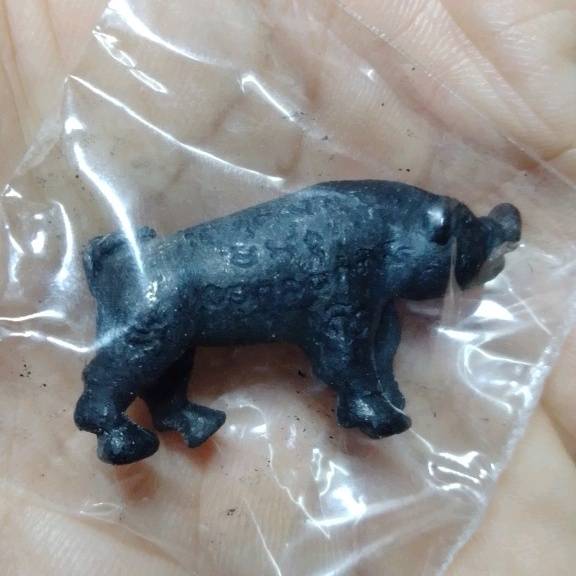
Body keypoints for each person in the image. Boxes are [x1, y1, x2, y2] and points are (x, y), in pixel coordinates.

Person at [0, 1, 574, 574]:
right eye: (449, 263)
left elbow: (370, 324)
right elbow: (340, 337)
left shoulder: (358, 231)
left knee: (173, 342)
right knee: (151, 341)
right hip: (169, 285)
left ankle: (173, 412)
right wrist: (360, 392)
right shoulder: (351, 246)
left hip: (176, 280)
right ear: (430, 233)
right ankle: (102, 413)